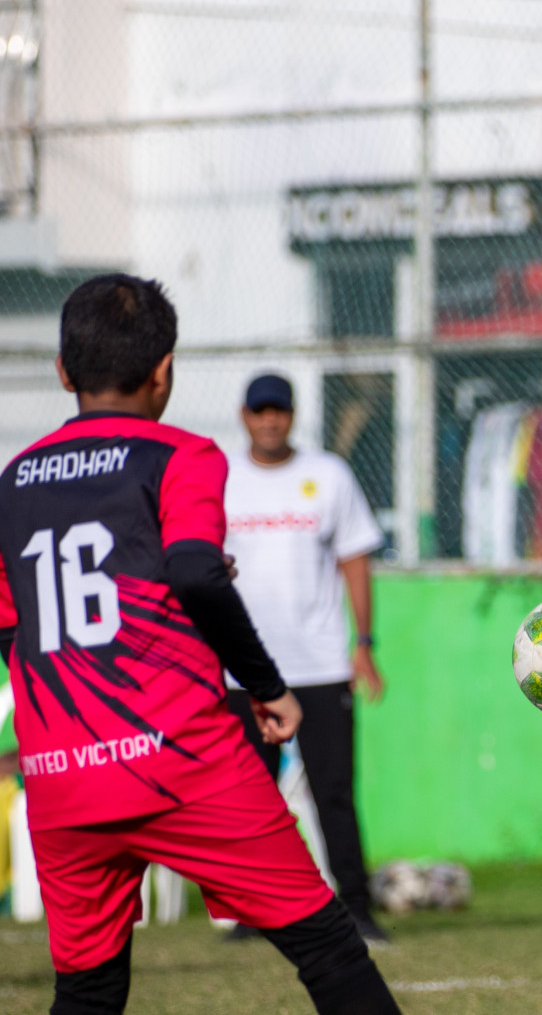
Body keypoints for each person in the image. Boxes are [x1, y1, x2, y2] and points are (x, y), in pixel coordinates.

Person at [0, 275, 400, 1015]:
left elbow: (11, 626)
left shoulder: (14, 481)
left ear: (63, 371)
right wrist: (267, 686)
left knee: (87, 992)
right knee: (328, 948)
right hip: (180, 758)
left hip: (62, 777)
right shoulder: (180, 455)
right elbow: (193, 572)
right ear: (164, 371)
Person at [222, 373, 388, 943]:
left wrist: (364, 645)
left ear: (292, 416)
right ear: (244, 416)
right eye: (259, 410)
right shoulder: (221, 480)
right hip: (245, 671)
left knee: (333, 791)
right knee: (251, 797)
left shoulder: (328, 475)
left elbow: (355, 561)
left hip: (318, 666)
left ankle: (358, 909)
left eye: (280, 411)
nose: (270, 420)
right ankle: (255, 912)